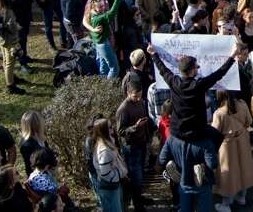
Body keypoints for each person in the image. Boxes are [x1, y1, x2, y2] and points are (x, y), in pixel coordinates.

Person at [146, 41, 236, 140]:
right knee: (218, 138)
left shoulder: (174, 82)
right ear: (192, 70)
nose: (198, 69)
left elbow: (162, 69)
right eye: (196, 67)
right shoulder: (199, 85)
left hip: (177, 131)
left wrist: (153, 54)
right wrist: (232, 56)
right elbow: (219, 73)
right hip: (197, 132)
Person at [211, 91, 253, 211]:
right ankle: (242, 197)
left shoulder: (219, 113)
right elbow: (249, 122)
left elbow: (214, 133)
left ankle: (226, 204)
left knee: (228, 174)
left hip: (226, 146)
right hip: (242, 140)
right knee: (243, 168)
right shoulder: (243, 104)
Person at [157, 131, 218, 212]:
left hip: (183, 182)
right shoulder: (206, 140)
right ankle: (200, 168)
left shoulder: (171, 138)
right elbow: (212, 164)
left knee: (185, 208)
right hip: (204, 183)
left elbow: (162, 159)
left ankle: (178, 169)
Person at [116, 80, 151, 212]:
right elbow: (121, 131)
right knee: (135, 177)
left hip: (141, 143)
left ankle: (139, 197)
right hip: (131, 147)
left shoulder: (140, 102)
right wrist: (135, 127)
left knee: (140, 175)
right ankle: (137, 204)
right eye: (135, 96)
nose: (138, 99)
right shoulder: (123, 109)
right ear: (128, 93)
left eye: (140, 96)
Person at [0, 0, 25, 95]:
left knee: (5, 59)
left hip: (1, 40)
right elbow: (12, 28)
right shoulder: (8, 11)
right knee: (10, 63)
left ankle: (11, 77)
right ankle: (10, 85)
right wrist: (17, 27)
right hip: (9, 41)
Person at [83, 0, 123, 78]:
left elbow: (84, 22)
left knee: (103, 67)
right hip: (104, 44)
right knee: (115, 68)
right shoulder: (99, 18)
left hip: (98, 44)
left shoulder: (90, 13)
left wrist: (92, 29)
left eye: (103, 5)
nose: (103, 8)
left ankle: (102, 84)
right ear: (94, 7)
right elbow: (112, 12)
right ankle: (109, 87)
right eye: (100, 7)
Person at [90, 118, 126, 212]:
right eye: (110, 127)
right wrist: (118, 174)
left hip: (111, 186)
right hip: (109, 188)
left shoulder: (108, 143)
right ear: (104, 131)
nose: (113, 129)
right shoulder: (104, 150)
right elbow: (105, 173)